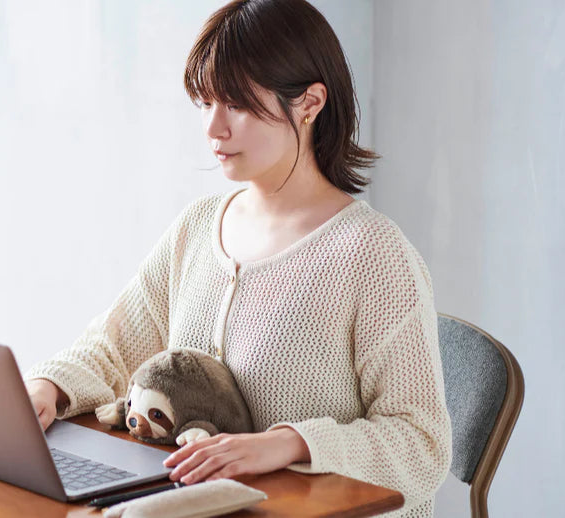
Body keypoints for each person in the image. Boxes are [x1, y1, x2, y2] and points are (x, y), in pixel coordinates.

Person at [25, 1, 452, 516]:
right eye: (206, 103)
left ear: (310, 103)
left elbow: (422, 444)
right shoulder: (198, 227)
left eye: (238, 106)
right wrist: (46, 388)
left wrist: (291, 443)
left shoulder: (374, 257)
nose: (213, 129)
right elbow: (113, 347)